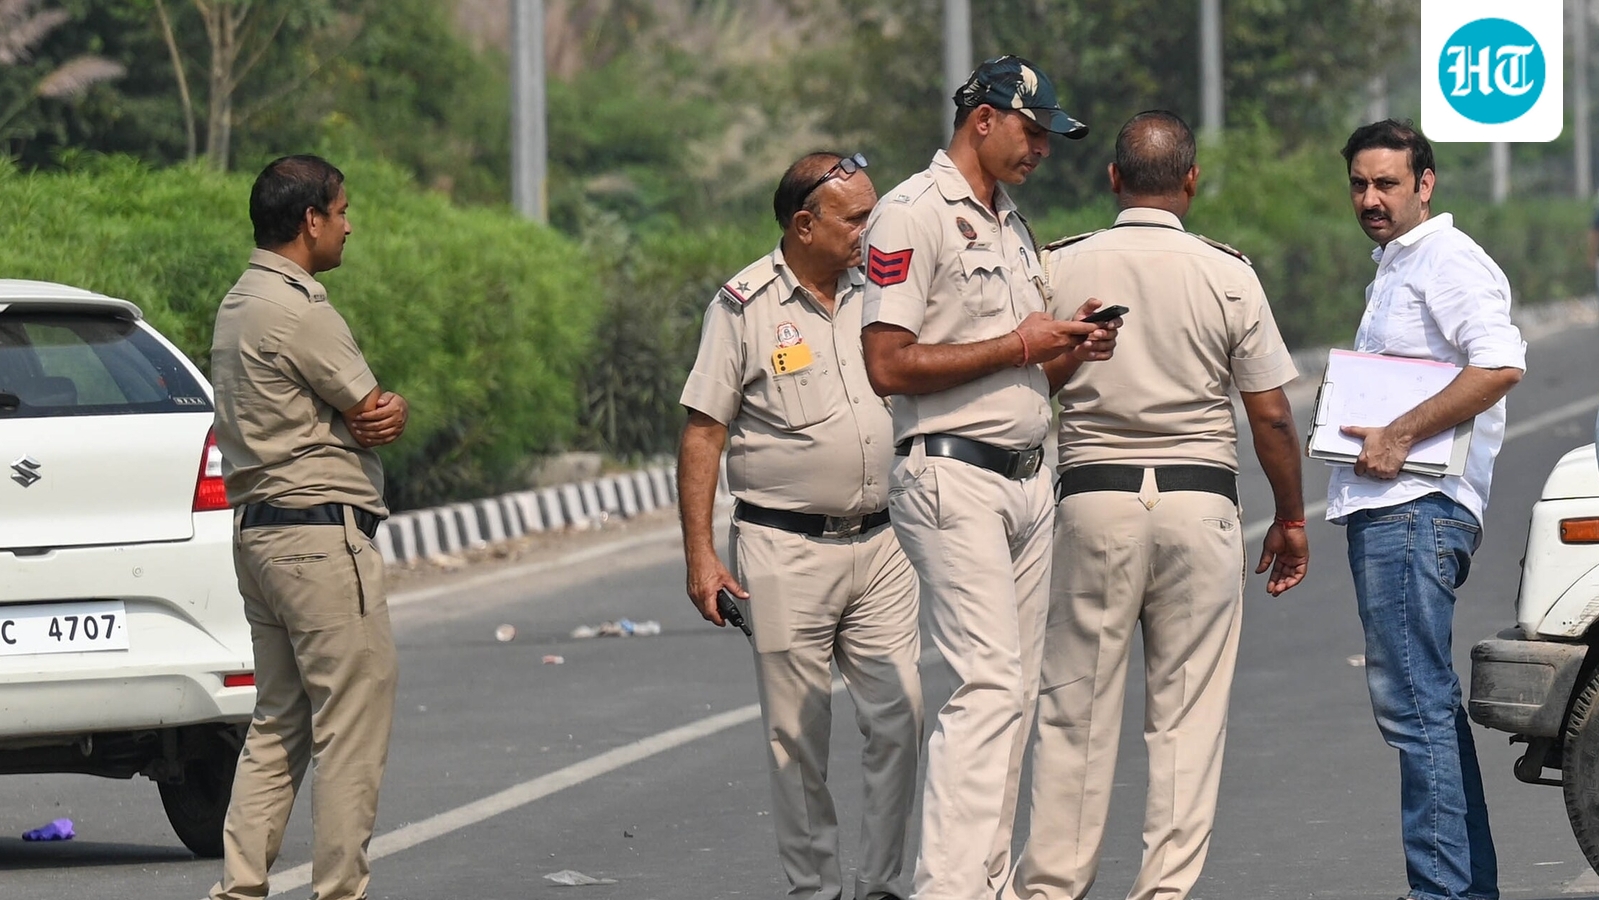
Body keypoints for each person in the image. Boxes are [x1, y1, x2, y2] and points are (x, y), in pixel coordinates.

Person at [1002, 110, 1309, 900]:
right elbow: (1269, 414)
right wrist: (1289, 516)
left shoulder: (1056, 266)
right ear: (1191, 181)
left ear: (1111, 180)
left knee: (1075, 712)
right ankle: (1162, 892)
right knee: (1185, 720)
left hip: (1092, 499)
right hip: (1197, 503)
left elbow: (1018, 385)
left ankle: (1050, 890)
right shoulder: (1226, 272)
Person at [859, 56, 1117, 900]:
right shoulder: (909, 214)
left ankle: (987, 881)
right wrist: (1020, 344)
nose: (1041, 147)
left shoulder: (1010, 222)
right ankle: (944, 888)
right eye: (1032, 130)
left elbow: (1020, 372)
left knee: (1013, 691)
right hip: (949, 476)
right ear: (984, 120)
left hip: (1024, 477)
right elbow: (887, 364)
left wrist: (1067, 350)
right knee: (987, 685)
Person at [677, 151, 924, 900]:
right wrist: (701, 558)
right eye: (855, 217)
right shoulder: (743, 307)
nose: (869, 228)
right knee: (796, 737)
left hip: (884, 544)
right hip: (782, 548)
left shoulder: (883, 293)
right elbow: (702, 434)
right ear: (803, 224)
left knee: (899, 719)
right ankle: (815, 890)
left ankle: (880, 884)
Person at [1332, 119, 1525, 900]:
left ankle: (1443, 894)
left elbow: (1500, 363)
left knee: (1414, 710)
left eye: (1386, 183)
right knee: (1424, 710)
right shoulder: (1397, 265)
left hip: (1416, 506)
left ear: (1425, 183)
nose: (1370, 199)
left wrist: (1401, 432)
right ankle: (1464, 890)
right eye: (1358, 184)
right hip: (1396, 508)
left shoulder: (1445, 259)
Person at [208, 155, 409, 900]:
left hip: (260, 537)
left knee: (277, 724)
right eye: (342, 209)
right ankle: (338, 893)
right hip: (319, 539)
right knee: (350, 726)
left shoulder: (240, 300)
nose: (349, 224)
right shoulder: (299, 306)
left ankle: (239, 888)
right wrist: (395, 409)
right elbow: (369, 409)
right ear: (309, 221)